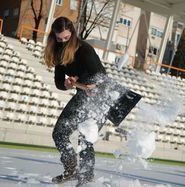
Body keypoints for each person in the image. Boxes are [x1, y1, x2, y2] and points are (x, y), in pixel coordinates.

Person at [44, 16, 107, 186]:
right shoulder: (58, 51)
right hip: (82, 94)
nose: (63, 41)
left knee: (86, 137)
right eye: (59, 39)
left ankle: (86, 176)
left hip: (101, 98)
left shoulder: (84, 49)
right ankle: (70, 169)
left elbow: (98, 75)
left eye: (66, 38)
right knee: (59, 133)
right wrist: (66, 84)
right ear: (54, 36)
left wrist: (83, 80)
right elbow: (58, 82)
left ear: (72, 33)